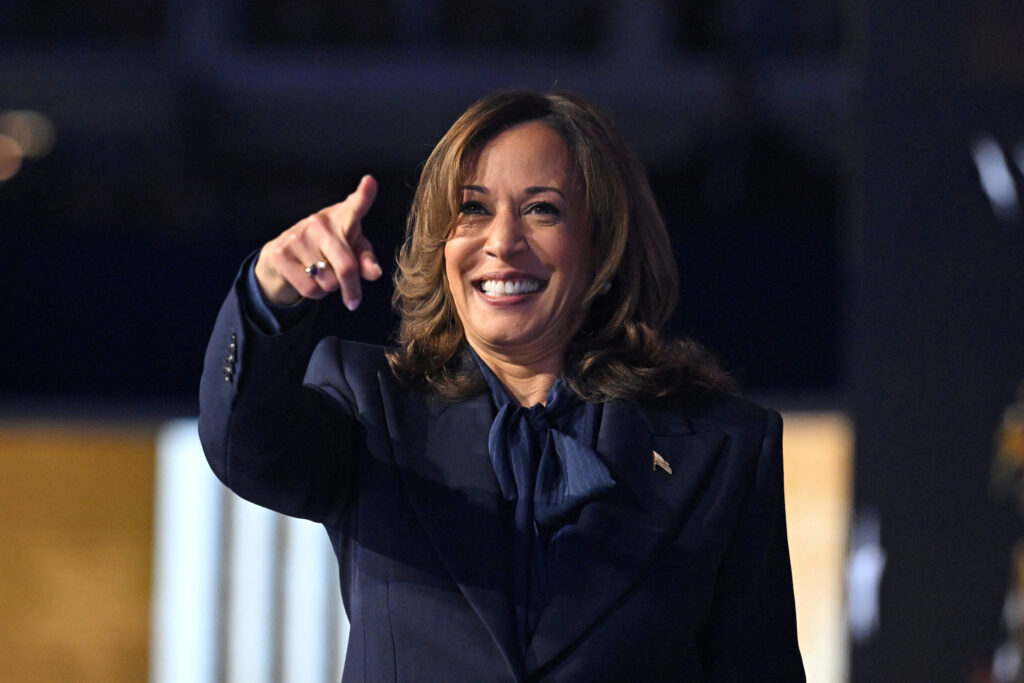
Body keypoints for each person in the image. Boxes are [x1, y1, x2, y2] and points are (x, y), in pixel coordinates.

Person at [199, 90, 805, 681]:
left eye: (542, 209)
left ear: (602, 245)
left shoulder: (723, 446)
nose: (502, 242)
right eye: (473, 209)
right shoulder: (370, 404)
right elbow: (247, 451)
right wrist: (269, 292)